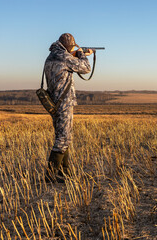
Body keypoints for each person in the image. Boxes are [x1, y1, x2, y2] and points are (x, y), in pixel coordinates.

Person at [44, 33, 92, 182]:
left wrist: (76, 55)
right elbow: (86, 68)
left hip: (53, 102)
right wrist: (82, 55)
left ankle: (64, 173)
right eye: (72, 47)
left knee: (63, 137)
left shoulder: (52, 56)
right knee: (64, 138)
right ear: (69, 47)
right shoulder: (65, 57)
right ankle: (51, 175)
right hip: (64, 102)